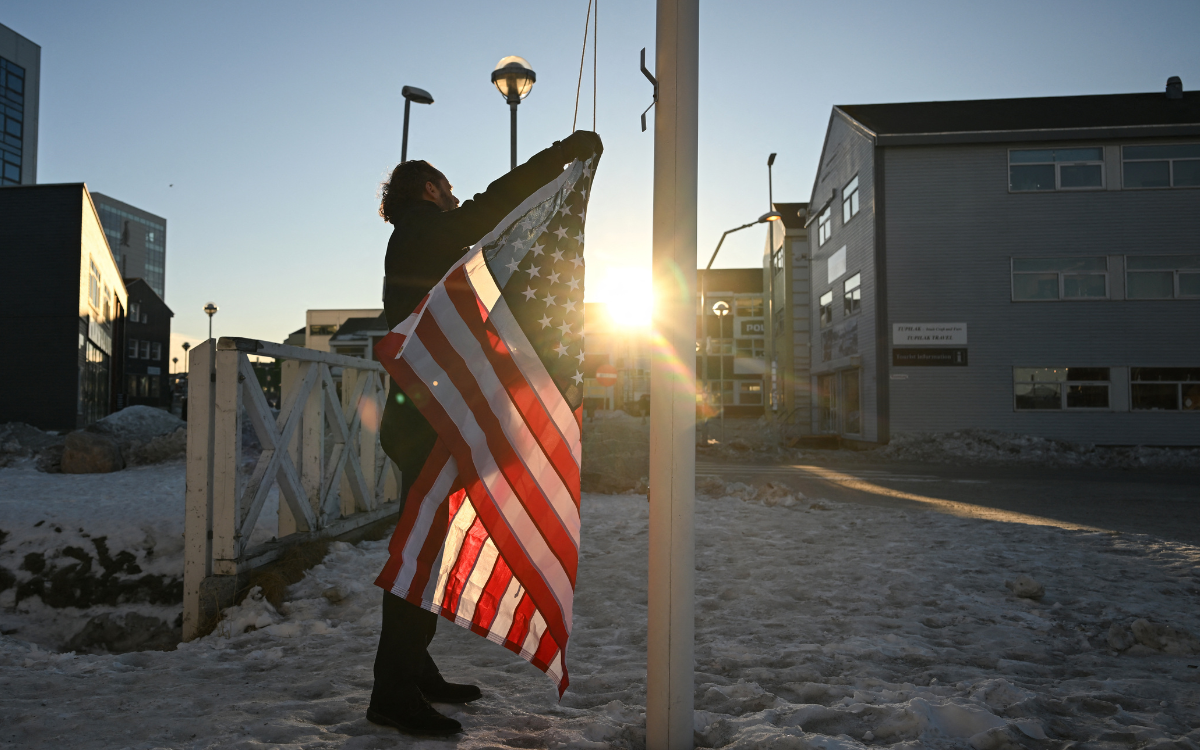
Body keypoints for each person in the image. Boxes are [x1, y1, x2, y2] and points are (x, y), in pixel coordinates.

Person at [368, 130, 603, 736]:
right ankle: (392, 692)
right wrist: (559, 157)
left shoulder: (414, 239)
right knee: (420, 553)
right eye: (448, 189)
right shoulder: (422, 231)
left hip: (429, 416)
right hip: (430, 422)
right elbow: (492, 207)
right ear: (429, 188)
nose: (456, 198)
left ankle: (414, 672)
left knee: (429, 549)